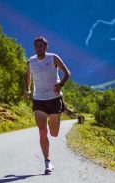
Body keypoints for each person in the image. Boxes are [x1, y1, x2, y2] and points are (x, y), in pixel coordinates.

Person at [25, 36, 71, 174]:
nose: (38, 48)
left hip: (54, 98)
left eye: (41, 46)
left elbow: (67, 73)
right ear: (34, 47)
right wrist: (27, 89)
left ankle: (55, 117)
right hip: (38, 99)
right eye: (36, 46)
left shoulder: (53, 58)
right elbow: (28, 76)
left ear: (46, 47)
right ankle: (47, 162)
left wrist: (60, 84)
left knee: (54, 133)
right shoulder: (31, 61)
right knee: (42, 131)